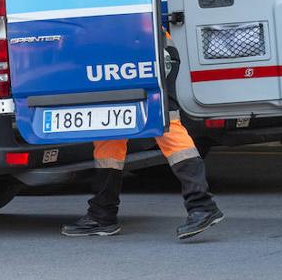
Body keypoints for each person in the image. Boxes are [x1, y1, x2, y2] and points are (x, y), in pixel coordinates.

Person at [62, 67, 223, 239]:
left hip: (147, 56)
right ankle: (102, 214)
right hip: (117, 61)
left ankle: (202, 206)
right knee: (110, 131)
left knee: (165, 123)